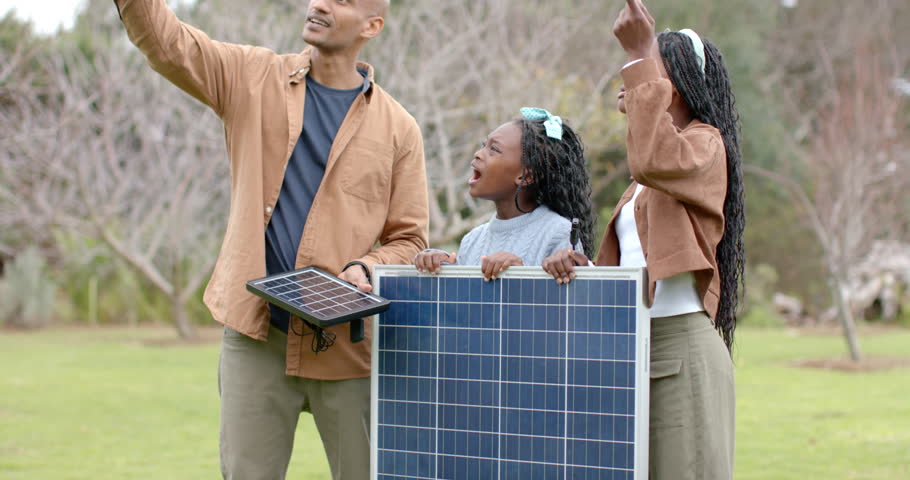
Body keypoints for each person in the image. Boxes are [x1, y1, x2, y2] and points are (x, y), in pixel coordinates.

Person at [114, 0, 428, 478]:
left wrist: (365, 265)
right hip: (255, 336)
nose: (319, 3)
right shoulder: (251, 77)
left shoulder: (400, 129)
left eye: (341, 0)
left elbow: (408, 239)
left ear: (372, 25)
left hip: (347, 348)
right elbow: (168, 44)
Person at [543, 1, 745, 478]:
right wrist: (587, 270)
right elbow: (643, 264)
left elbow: (653, 157)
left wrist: (637, 50)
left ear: (680, 84)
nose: (628, 77)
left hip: (682, 350)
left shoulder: (704, 144)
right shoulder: (646, 182)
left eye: (650, 67)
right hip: (636, 345)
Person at [415, 108, 594, 278]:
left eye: (494, 149)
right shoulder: (472, 239)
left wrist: (519, 277)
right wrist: (442, 266)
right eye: (484, 145)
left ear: (526, 175)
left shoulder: (558, 232)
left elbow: (569, 304)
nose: (478, 154)